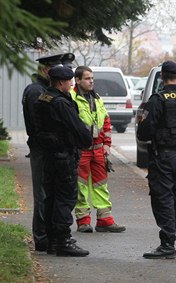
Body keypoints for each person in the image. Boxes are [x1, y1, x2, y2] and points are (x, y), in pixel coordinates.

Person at [137, 60, 176, 259]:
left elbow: (144, 133)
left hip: (162, 156)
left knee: (163, 199)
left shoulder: (158, 99)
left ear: (162, 77)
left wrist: (142, 125)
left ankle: (167, 244)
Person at [32, 65, 93, 256]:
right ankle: (62, 240)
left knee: (51, 197)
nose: (71, 85)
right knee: (65, 198)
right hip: (64, 156)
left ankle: (52, 240)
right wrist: (86, 141)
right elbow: (77, 127)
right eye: (70, 82)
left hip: (50, 155)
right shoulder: (60, 102)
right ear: (61, 83)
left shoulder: (42, 98)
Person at [21, 53, 75, 251]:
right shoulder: (37, 90)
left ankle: (51, 236)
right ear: (45, 70)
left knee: (50, 193)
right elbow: (40, 125)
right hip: (43, 148)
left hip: (49, 149)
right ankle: (43, 237)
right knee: (43, 194)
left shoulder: (43, 88)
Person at [71, 66, 126, 233]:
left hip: (98, 150)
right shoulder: (72, 98)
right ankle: (83, 221)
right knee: (81, 187)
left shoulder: (96, 98)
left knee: (101, 185)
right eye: (87, 78)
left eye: (92, 78)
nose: (91, 81)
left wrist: (107, 144)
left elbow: (106, 121)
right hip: (81, 149)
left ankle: (105, 220)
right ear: (78, 80)